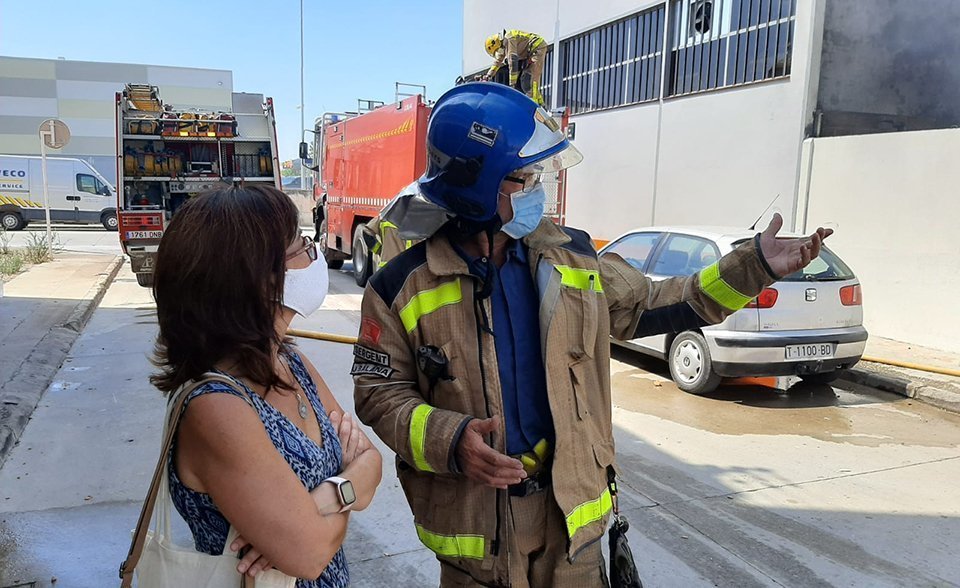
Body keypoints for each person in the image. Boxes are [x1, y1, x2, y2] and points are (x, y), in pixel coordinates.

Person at [351, 83, 831, 587]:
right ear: (476, 186)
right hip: (476, 540)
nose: (539, 189)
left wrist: (754, 266)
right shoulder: (399, 287)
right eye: (524, 178)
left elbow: (660, 302)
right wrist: (450, 441)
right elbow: (378, 396)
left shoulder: (573, 258)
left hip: (570, 531)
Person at [151, 185, 382, 587]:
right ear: (256, 278)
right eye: (300, 247)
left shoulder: (291, 362)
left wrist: (323, 501)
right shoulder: (216, 407)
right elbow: (308, 555)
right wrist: (347, 487)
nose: (313, 256)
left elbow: (373, 465)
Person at [483, 29, 548, 105]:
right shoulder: (504, 45)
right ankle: (542, 106)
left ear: (496, 43)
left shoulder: (508, 39)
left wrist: (512, 86)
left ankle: (533, 107)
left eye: (497, 50)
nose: (499, 52)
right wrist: (488, 75)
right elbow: (497, 62)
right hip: (532, 51)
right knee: (526, 80)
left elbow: (513, 62)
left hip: (537, 48)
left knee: (529, 80)